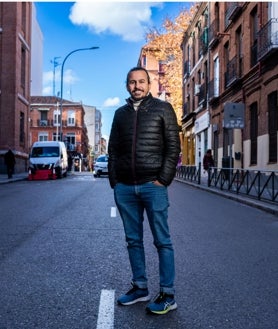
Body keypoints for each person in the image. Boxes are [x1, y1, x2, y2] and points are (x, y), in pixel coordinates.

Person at [108, 67, 180, 315]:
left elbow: (173, 146)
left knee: (162, 240)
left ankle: (168, 294)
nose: (136, 86)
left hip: (153, 185)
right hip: (126, 187)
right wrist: (115, 182)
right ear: (126, 85)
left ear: (149, 84)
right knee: (133, 240)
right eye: (132, 82)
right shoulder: (120, 114)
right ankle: (140, 288)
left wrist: (164, 179)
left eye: (141, 81)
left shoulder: (163, 109)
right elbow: (113, 149)